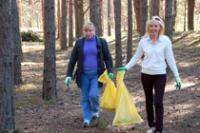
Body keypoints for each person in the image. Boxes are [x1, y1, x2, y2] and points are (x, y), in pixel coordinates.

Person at [117, 16, 182, 133]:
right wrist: (126, 68)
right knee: (148, 100)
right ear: (148, 28)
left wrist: (177, 77)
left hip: (160, 75)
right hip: (146, 74)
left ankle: (159, 129)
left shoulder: (166, 41)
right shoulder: (143, 41)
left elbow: (170, 59)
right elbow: (137, 56)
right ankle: (152, 125)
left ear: (160, 28)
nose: (153, 28)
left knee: (158, 101)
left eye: (155, 26)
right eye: (151, 26)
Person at [65, 22, 113, 128]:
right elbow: (73, 59)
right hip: (83, 75)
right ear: (83, 32)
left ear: (94, 31)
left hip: (97, 75)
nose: (88, 33)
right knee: (85, 97)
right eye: (86, 31)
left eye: (90, 31)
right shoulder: (79, 43)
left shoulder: (101, 42)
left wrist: (110, 71)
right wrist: (68, 75)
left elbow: (108, 58)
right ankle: (87, 118)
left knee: (93, 95)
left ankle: (95, 111)